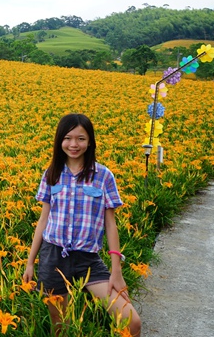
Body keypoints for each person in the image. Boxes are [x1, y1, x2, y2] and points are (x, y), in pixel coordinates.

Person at [23, 113, 141, 336]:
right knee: (61, 327)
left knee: (131, 322)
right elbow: (43, 220)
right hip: (53, 256)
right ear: (60, 141)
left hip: (88, 259)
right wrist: (31, 263)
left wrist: (116, 270)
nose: (73, 144)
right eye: (68, 138)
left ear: (90, 142)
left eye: (81, 138)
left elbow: (111, 225)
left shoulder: (103, 175)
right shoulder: (51, 174)